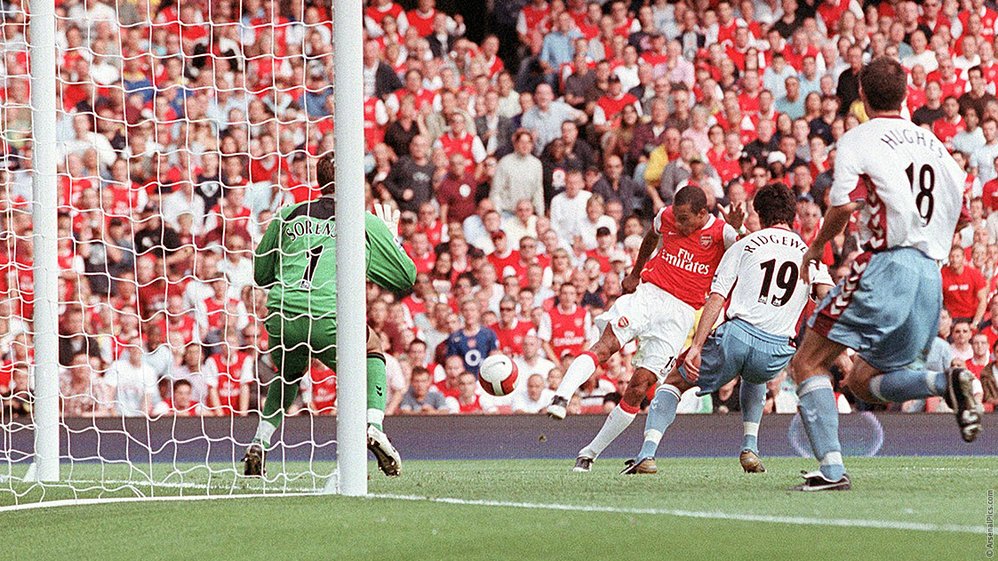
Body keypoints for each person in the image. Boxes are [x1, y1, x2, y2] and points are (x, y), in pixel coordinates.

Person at [792, 57, 979, 492]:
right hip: (928, 277)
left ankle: (832, 471)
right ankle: (944, 382)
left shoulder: (858, 139)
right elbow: (964, 218)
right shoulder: (937, 148)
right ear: (907, 94)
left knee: (808, 361)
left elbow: (843, 206)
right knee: (862, 382)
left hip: (886, 265)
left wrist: (817, 247)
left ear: (860, 95)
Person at [621, 184, 833, 475]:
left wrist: (697, 346)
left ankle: (646, 454)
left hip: (737, 337)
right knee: (755, 375)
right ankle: (750, 448)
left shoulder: (746, 244)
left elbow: (717, 297)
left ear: (759, 214)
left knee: (673, 381)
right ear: (793, 215)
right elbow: (828, 297)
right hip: (777, 350)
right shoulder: (810, 253)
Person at [546, 186, 743, 472]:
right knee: (607, 345)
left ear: (702, 213)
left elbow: (747, 249)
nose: (679, 223)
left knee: (640, 384)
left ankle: (589, 454)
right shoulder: (668, 216)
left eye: (685, 219)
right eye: (677, 217)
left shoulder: (722, 232)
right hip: (649, 295)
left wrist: (738, 229)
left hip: (681, 314)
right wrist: (636, 273)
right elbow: (652, 235)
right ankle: (561, 396)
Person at [243, 153, 417, 478]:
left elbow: (261, 274)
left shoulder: (287, 214)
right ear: (354, 181)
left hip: (282, 313)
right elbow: (406, 277)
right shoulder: (363, 221)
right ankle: (374, 426)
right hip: (327, 315)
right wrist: (392, 237)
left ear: (319, 181)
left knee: (289, 374)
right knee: (373, 350)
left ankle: (260, 441)